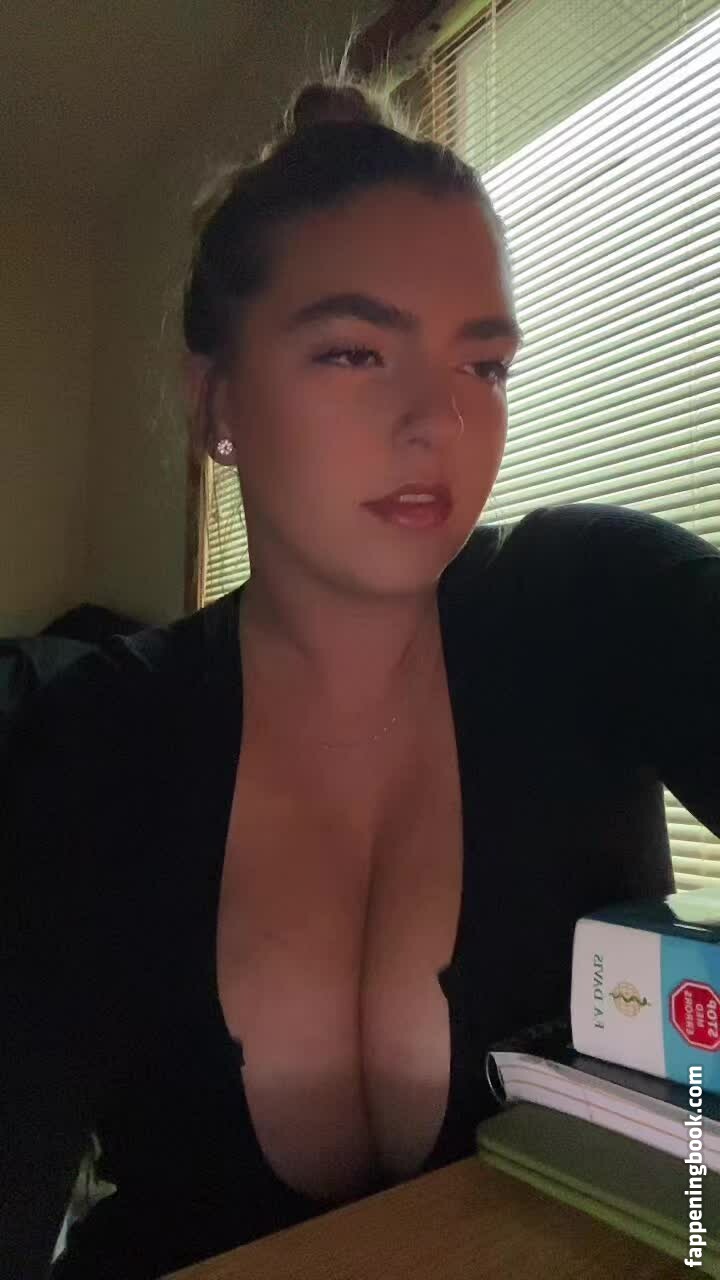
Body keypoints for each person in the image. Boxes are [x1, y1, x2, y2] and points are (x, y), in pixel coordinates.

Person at [2, 51, 719, 1280]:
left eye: (482, 364)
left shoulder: (589, 599)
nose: (440, 421)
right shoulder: (96, 735)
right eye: (352, 351)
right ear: (215, 402)